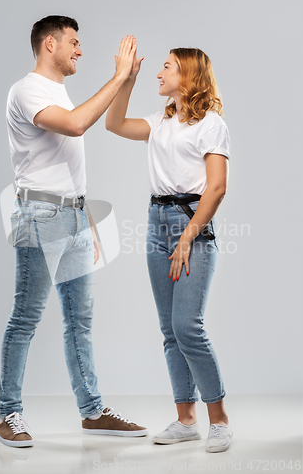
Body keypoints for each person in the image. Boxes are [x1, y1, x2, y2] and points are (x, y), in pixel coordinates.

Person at [0, 16, 147, 448]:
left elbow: (83, 129)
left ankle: (93, 411)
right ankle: (8, 413)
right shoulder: (25, 90)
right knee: (25, 319)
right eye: (74, 42)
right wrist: (116, 76)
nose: (80, 50)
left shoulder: (56, 89)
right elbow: (77, 124)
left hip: (77, 217)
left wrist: (125, 82)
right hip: (41, 218)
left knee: (79, 321)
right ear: (50, 44)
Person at [106, 45, 232, 453]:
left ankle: (219, 420)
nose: (158, 73)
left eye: (166, 67)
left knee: (187, 326)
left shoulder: (211, 124)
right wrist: (126, 79)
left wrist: (187, 236)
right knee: (169, 331)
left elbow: (216, 187)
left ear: (188, 76)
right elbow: (114, 123)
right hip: (155, 222)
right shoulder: (161, 120)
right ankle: (185, 420)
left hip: (190, 223)